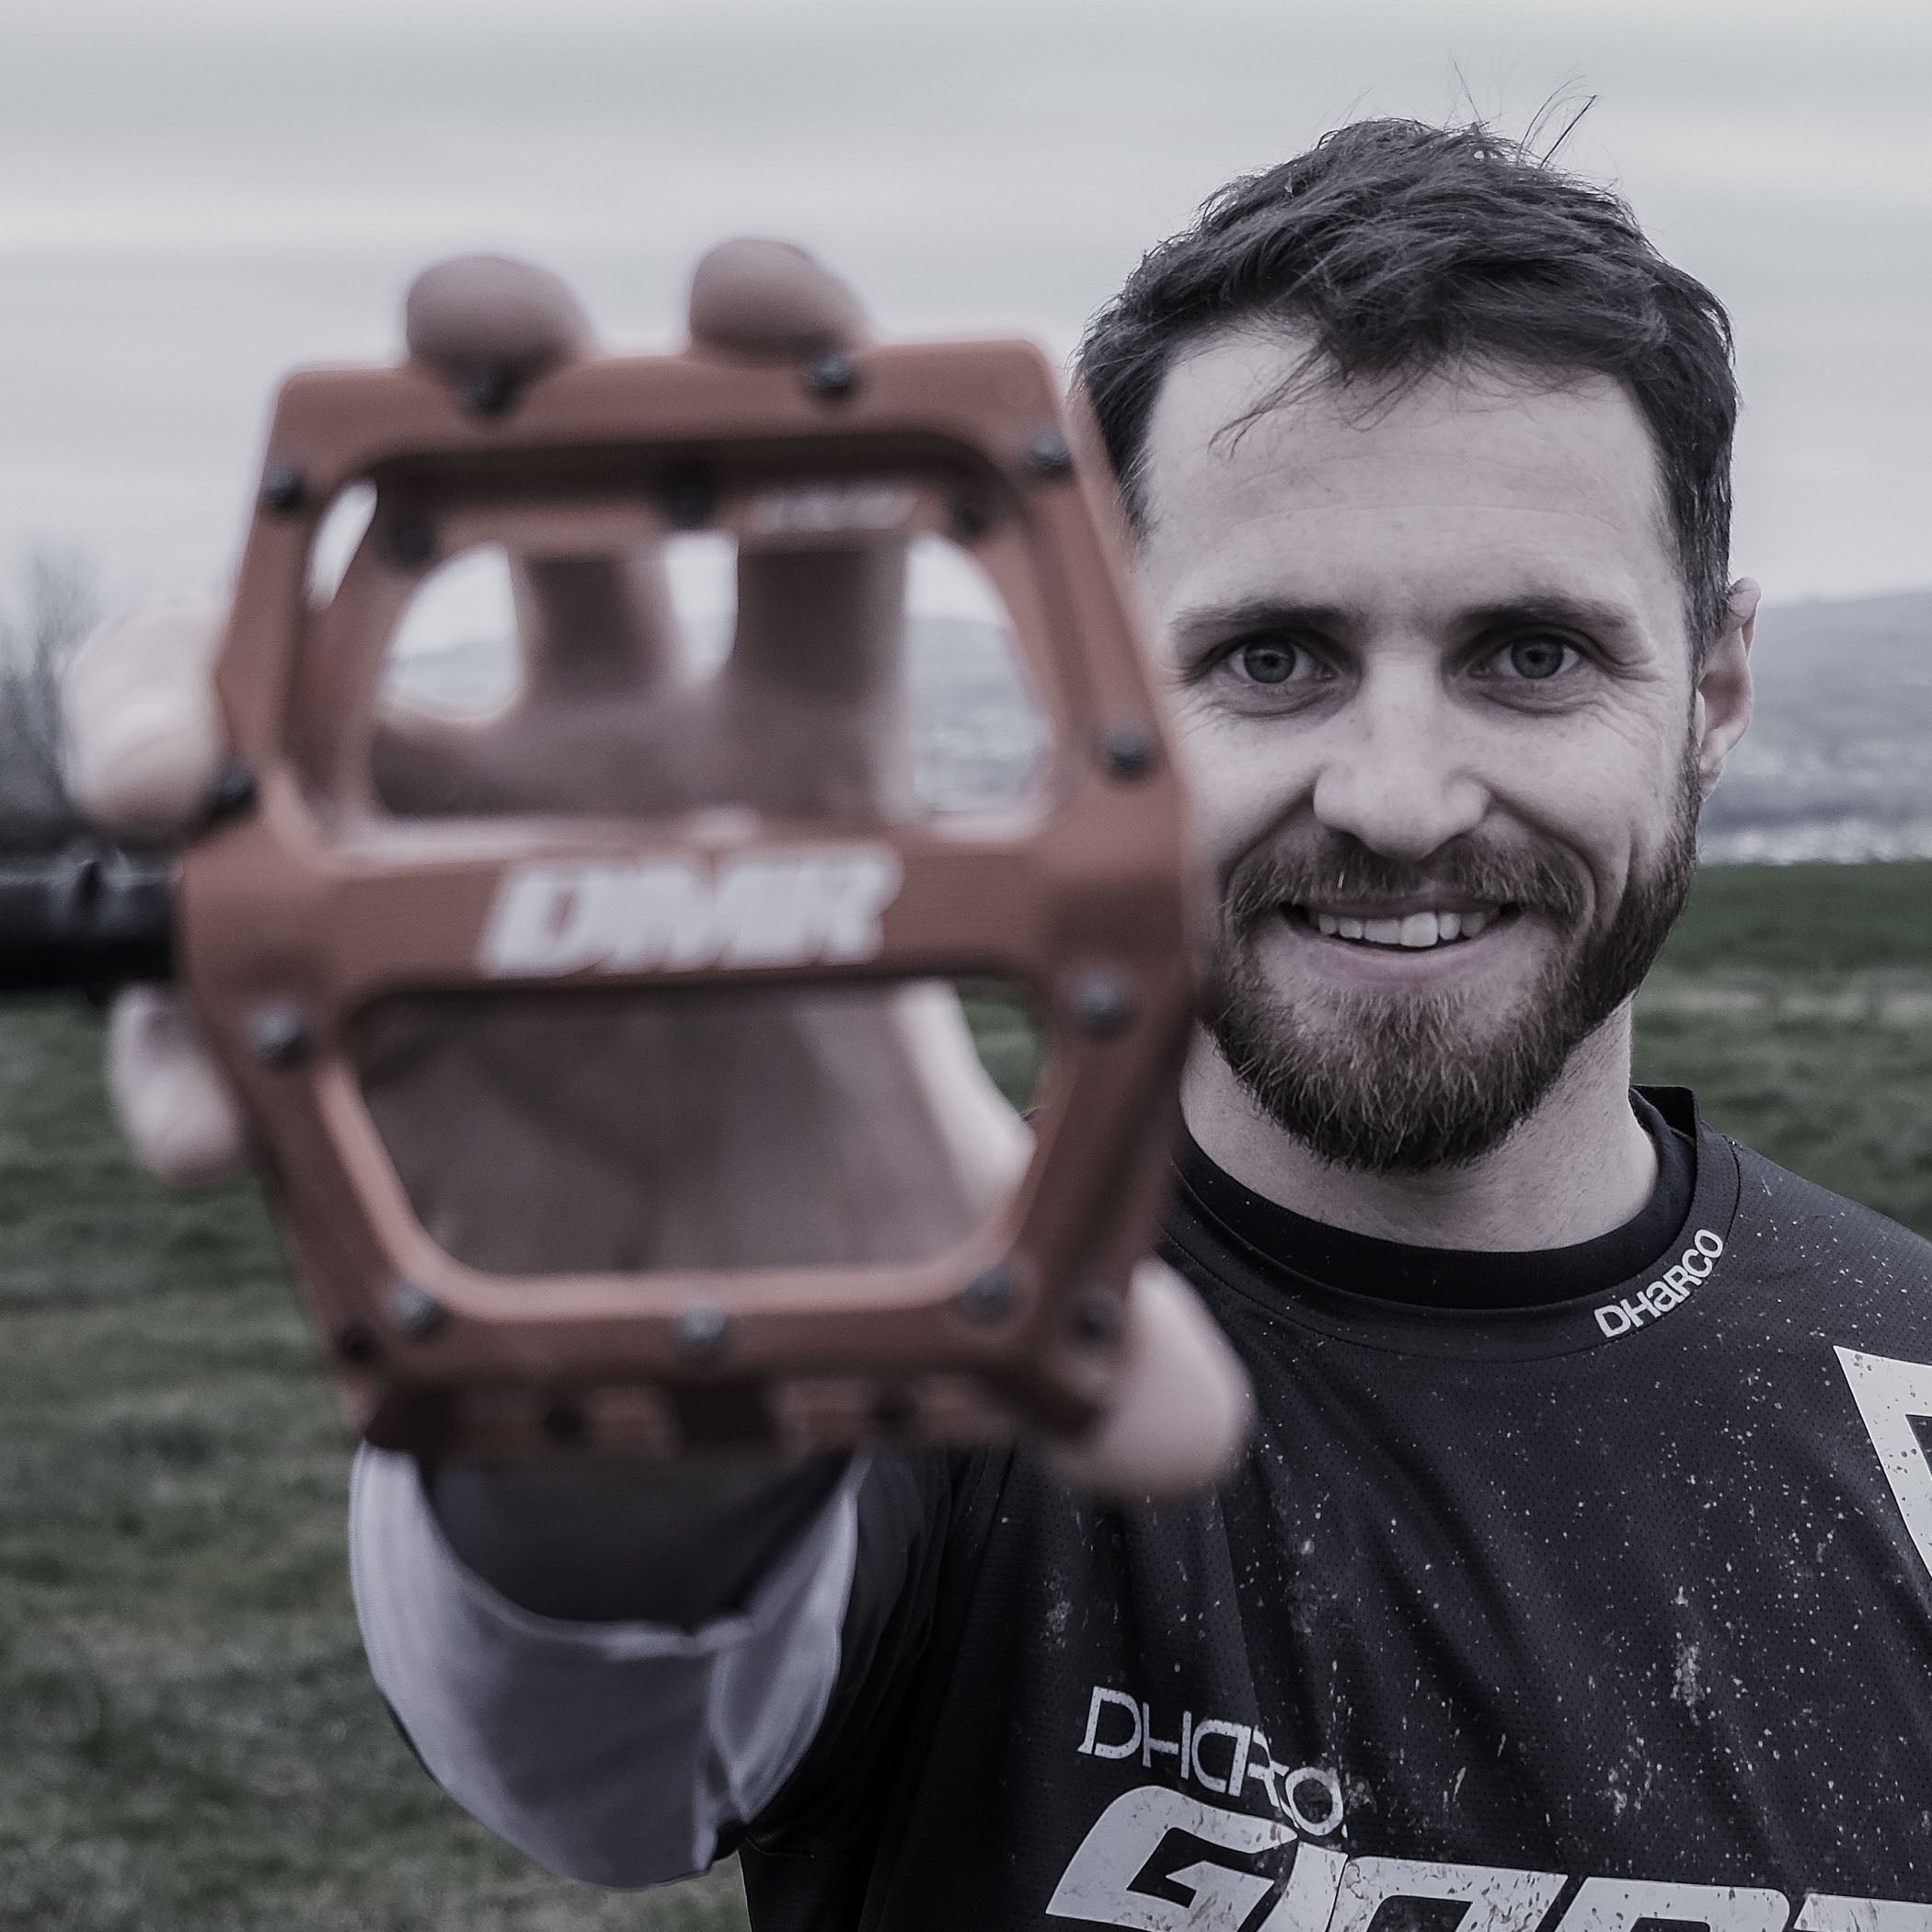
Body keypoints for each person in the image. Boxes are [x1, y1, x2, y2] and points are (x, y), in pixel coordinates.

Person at [67, 120, 1932, 1927]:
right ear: (1099, 689)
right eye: (1270, 657)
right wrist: (627, 1329)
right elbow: (593, 1757)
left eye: (1532, 655)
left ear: (1716, 689)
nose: (1396, 795)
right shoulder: (931, 1328)